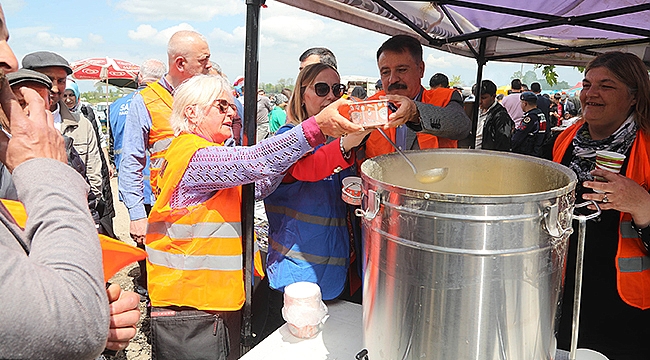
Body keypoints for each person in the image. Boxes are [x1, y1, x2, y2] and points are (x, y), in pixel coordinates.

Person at [145, 74, 365, 359]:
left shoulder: (205, 153)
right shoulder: (194, 156)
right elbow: (255, 161)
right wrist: (316, 128)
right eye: (221, 106)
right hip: (189, 309)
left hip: (207, 305)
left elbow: (259, 183)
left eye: (231, 106)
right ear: (191, 112)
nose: (232, 112)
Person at [0, 5, 139, 357]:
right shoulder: (23, 146)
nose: (8, 58)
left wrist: (88, 308)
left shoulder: (77, 124)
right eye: (20, 96)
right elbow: (60, 325)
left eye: (5, 37)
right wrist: (75, 313)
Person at [260, 63, 372, 340]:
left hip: (338, 273)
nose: (331, 96)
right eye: (321, 89)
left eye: (337, 89)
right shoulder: (286, 137)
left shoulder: (338, 140)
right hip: (298, 276)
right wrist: (347, 144)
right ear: (302, 95)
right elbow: (308, 169)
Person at [553, 51, 650, 360]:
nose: (591, 93)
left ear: (634, 97)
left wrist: (642, 205)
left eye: (606, 86)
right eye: (587, 83)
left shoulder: (648, 147)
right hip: (562, 299)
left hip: (626, 312)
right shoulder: (564, 139)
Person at [119, 30, 212, 281]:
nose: (209, 65)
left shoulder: (209, 97)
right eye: (203, 60)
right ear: (180, 63)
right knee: (165, 276)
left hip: (206, 210)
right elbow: (131, 162)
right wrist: (137, 215)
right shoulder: (146, 102)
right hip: (164, 211)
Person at [110, 58, 166, 297]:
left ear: (139, 78)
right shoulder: (161, 103)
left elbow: (115, 144)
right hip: (157, 181)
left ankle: (145, 282)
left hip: (132, 181)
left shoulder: (116, 105)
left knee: (141, 235)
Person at [363, 34, 471, 157]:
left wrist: (416, 112)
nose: (392, 80)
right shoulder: (370, 106)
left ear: (421, 69)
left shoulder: (443, 98)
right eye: (385, 72)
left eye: (402, 70)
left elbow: (462, 126)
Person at [22, 51, 104, 201]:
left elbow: (94, 177)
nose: (55, 87)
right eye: (47, 79)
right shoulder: (13, 124)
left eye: (61, 81)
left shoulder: (82, 125)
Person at [64, 79, 116, 237]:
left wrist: (107, 164)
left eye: (71, 95)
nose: (68, 99)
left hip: (91, 172)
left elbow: (100, 142)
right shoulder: (56, 120)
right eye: (64, 95)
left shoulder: (87, 114)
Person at [474, 79, 513, 151]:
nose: (479, 101)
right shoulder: (476, 110)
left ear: (493, 96)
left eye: (483, 98)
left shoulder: (500, 115)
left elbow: (503, 143)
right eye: (477, 97)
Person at [511, 91, 543, 156]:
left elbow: (519, 135)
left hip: (528, 153)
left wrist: (511, 146)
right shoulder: (540, 114)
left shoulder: (530, 118)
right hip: (538, 150)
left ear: (525, 103)